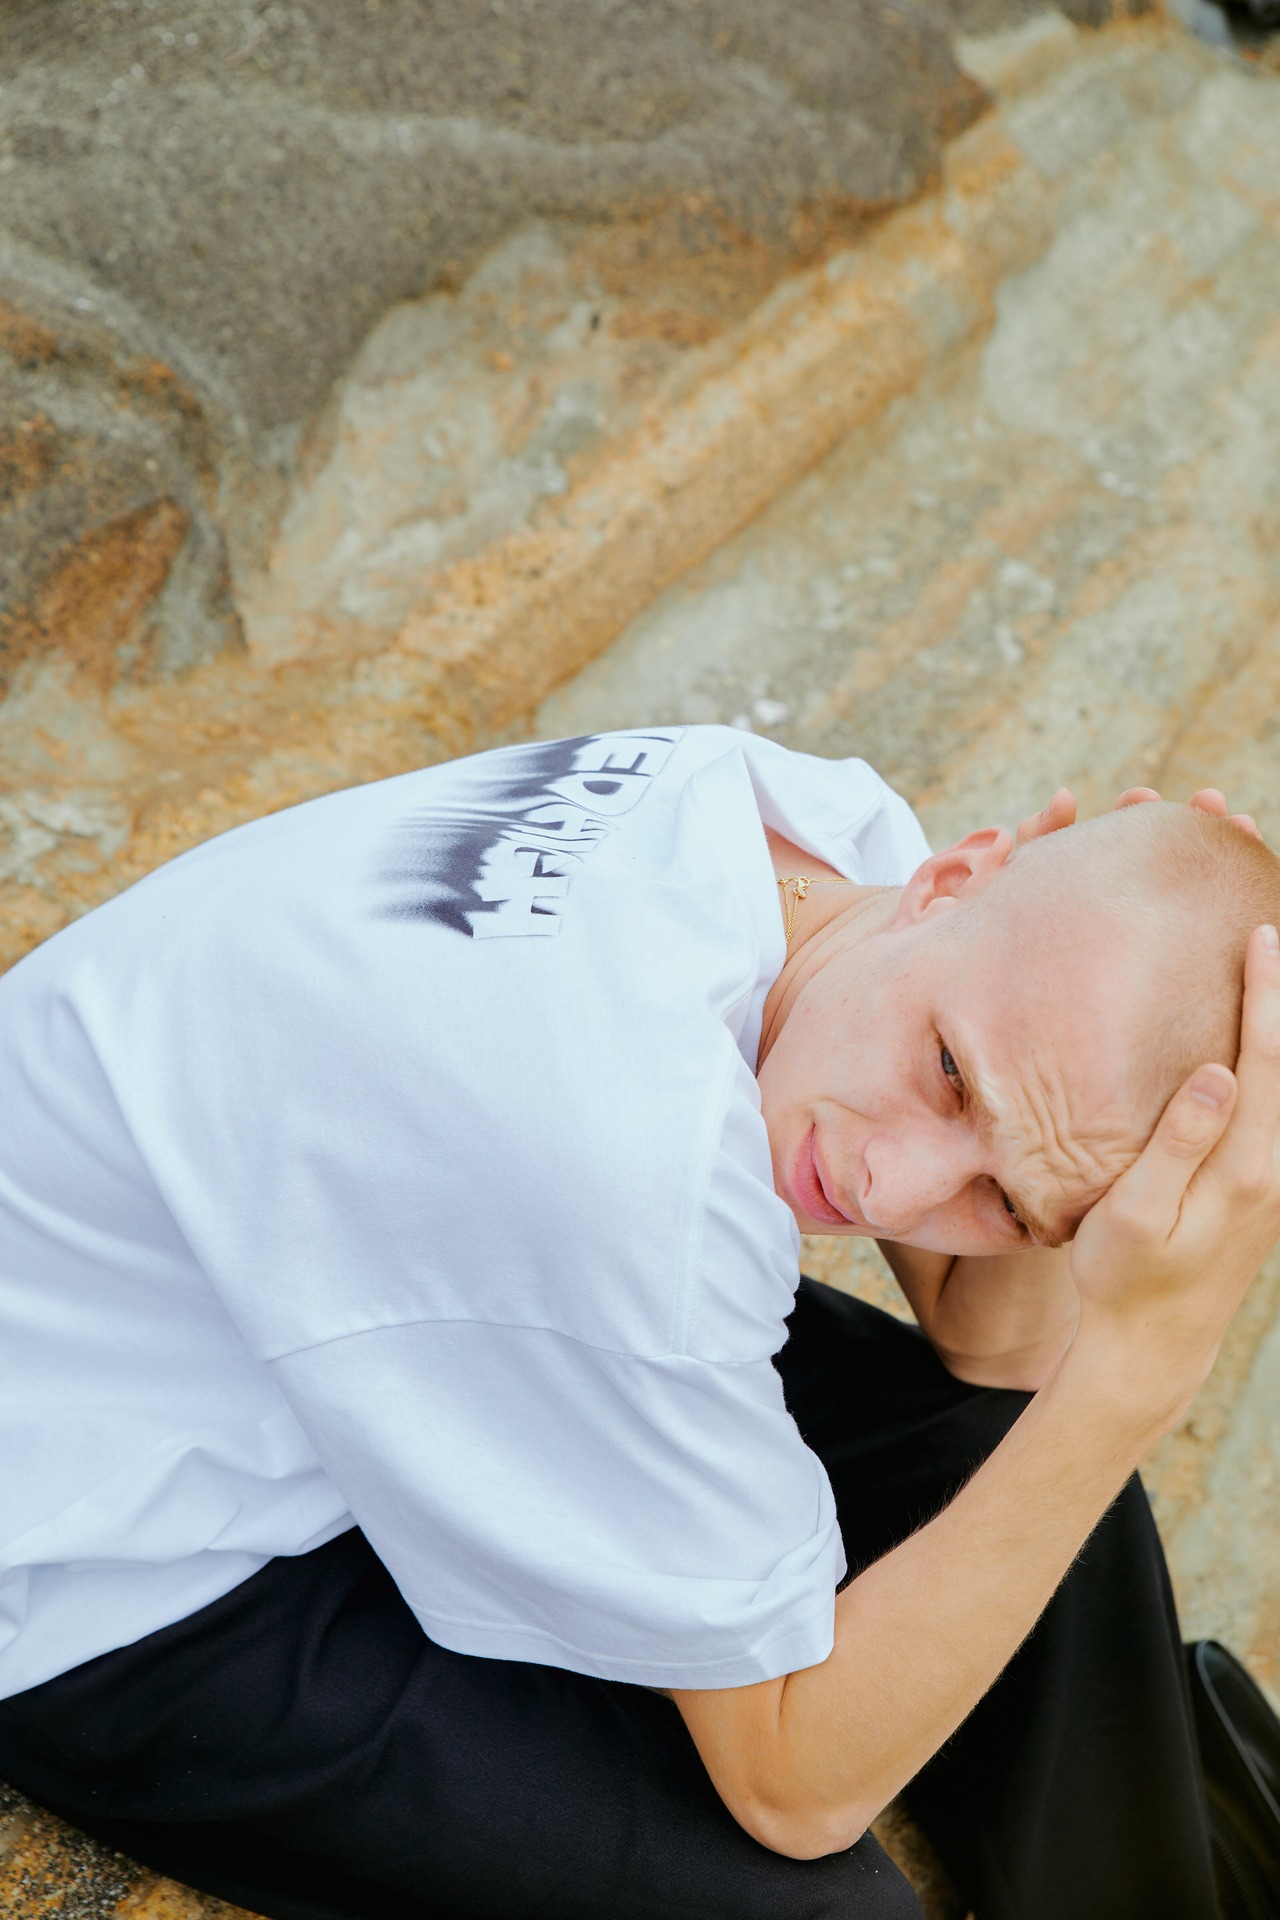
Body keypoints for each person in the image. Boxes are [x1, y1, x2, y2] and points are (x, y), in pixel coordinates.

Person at [0, 724, 1276, 1920]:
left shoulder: (813, 834)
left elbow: (991, 1355)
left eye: (1001, 1199)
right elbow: (791, 1785)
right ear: (951, 880)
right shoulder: (632, 1174)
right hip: (111, 1544)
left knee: (1019, 1465)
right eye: (948, 1073)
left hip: (334, 1308)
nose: (893, 1189)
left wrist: (1139, 1008)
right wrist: (1135, 1370)